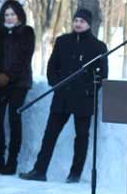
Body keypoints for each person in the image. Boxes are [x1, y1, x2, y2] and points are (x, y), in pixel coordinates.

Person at [20, 9, 106, 183]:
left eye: (82, 21)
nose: (78, 24)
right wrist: (56, 83)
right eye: (76, 20)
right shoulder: (62, 42)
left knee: (81, 136)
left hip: (83, 99)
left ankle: (75, 174)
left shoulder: (98, 46)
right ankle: (39, 170)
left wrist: (89, 90)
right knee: (50, 134)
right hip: (63, 96)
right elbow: (52, 67)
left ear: (89, 24)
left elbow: (102, 74)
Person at [0, 0, 35, 175]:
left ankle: (12, 160)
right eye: (6, 15)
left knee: (14, 121)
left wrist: (9, 75)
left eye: (12, 14)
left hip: (18, 83)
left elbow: (24, 58)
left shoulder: (27, 32)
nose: (9, 17)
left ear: (19, 16)